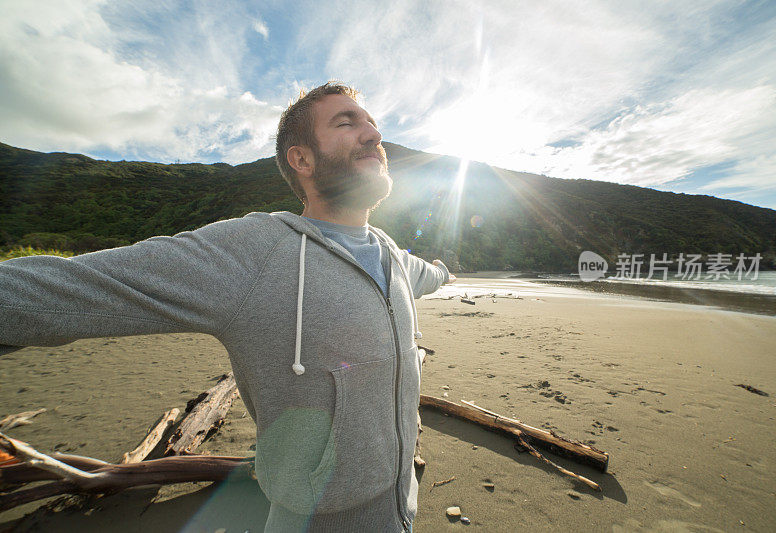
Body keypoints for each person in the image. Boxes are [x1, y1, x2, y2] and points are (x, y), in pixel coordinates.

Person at [0, 81, 454, 532]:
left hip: (400, 502)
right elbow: (74, 287)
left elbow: (425, 276)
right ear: (302, 159)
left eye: (371, 122)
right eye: (346, 122)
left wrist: (443, 273)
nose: (373, 133)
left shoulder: (391, 254)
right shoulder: (253, 252)